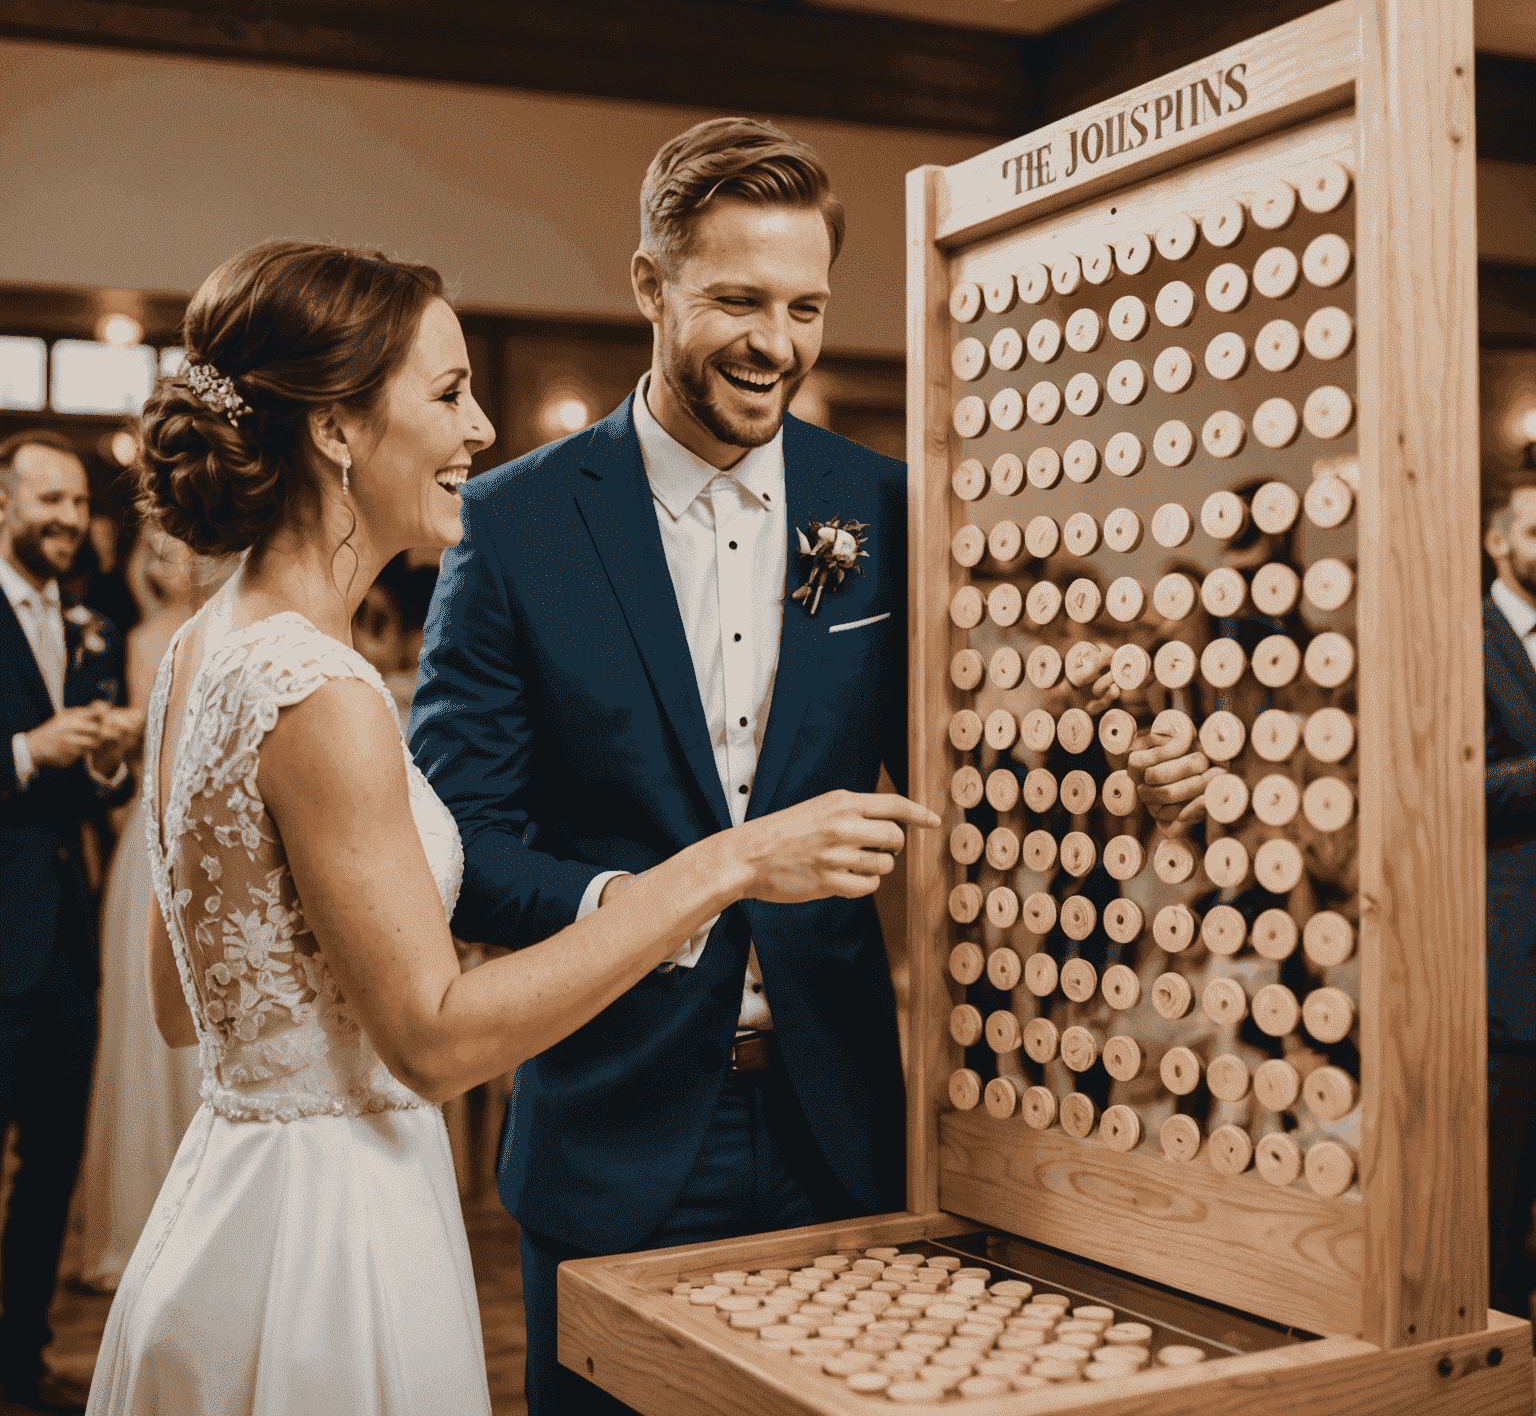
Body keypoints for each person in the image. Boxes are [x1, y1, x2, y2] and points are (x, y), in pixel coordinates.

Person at [86, 239, 933, 1416]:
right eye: (446, 394)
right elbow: (432, 1044)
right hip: (339, 1239)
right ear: (335, 429)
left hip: (233, 1201)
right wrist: (730, 863)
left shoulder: (199, 651)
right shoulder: (324, 695)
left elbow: (185, 1001)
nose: (482, 429)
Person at [409, 117, 922, 1415]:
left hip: (840, 1122)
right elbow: (461, 845)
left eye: (805, 305)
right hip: (617, 1121)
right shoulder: (515, 520)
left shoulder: (886, 506)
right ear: (650, 284)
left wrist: (1120, 762)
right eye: (737, 299)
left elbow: (955, 766)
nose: (777, 342)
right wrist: (657, 902)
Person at [0, 429, 141, 1415]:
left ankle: (19, 1359)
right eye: (45, 499)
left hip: (65, 944)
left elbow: (94, 792)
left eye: (77, 503)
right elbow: (31, 755)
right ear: (3, 503)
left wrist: (103, 758)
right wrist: (27, 749)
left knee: (52, 1163)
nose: (64, 519)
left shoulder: (88, 618)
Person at [76, 527, 204, 1293]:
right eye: (155, 549)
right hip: (154, 845)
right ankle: (146, 1220)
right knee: (146, 1033)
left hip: (187, 834)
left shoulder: (220, 627)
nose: (170, 562)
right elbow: (151, 755)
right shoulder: (145, 637)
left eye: (178, 546)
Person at [1481, 478, 1536, 1320]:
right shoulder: (1463, 636)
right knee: (1497, 1195)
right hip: (1511, 967)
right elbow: (1443, 785)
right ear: (1499, 542)